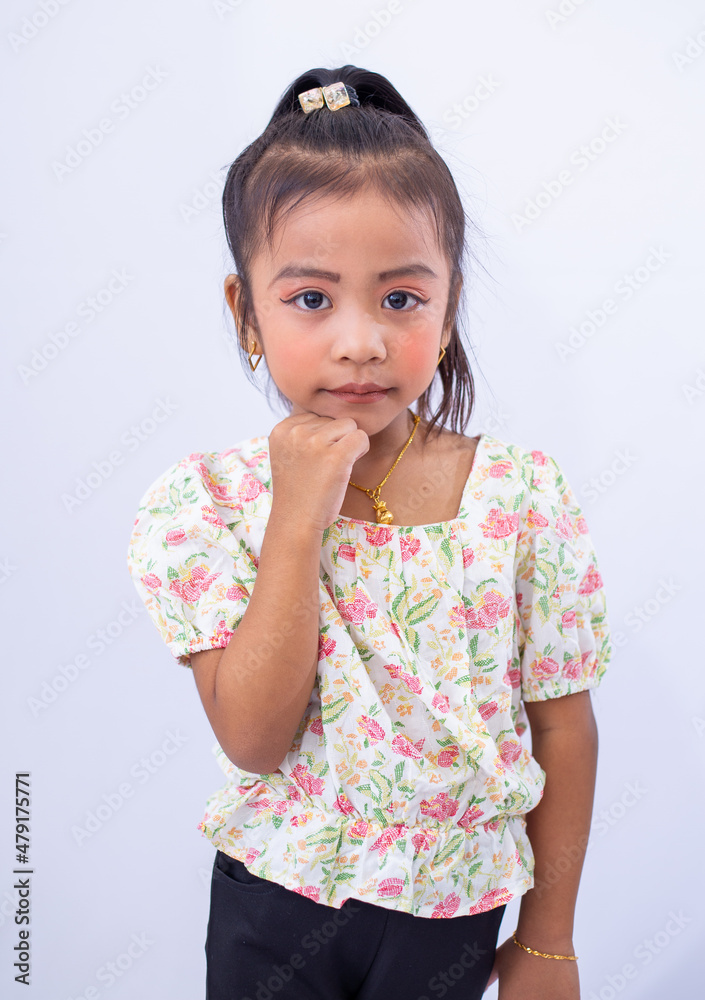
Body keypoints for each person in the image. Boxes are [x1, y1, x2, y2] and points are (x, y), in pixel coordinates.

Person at [126, 65, 611, 1000]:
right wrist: (298, 512)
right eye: (311, 299)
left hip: (457, 915)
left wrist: (547, 941)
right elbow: (255, 740)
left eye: (400, 299)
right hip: (276, 905)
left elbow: (562, 725)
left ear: (447, 299)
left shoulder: (518, 495)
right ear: (247, 313)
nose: (360, 341)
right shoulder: (205, 506)